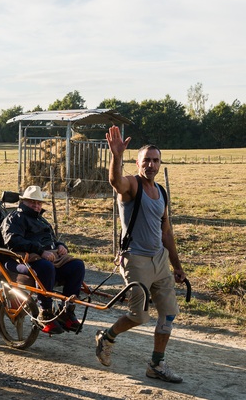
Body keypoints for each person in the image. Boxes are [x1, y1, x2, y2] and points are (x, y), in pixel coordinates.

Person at [95, 126, 186, 383]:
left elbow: (166, 233)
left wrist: (176, 266)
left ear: (160, 163)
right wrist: (116, 156)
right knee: (139, 315)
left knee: (168, 313)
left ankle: (156, 365)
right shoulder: (132, 185)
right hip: (135, 258)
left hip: (159, 260)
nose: (151, 164)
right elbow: (115, 181)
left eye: (156, 160)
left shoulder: (161, 192)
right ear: (138, 162)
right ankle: (107, 337)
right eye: (146, 159)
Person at [1, 185, 85, 334]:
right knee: (46, 267)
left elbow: (51, 240)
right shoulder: (14, 218)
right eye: (32, 202)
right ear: (23, 202)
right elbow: (13, 241)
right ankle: (45, 312)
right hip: (23, 261)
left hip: (48, 261)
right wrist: (40, 251)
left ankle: (67, 310)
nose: (36, 205)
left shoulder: (42, 221)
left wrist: (60, 246)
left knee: (78, 265)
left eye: (38, 203)